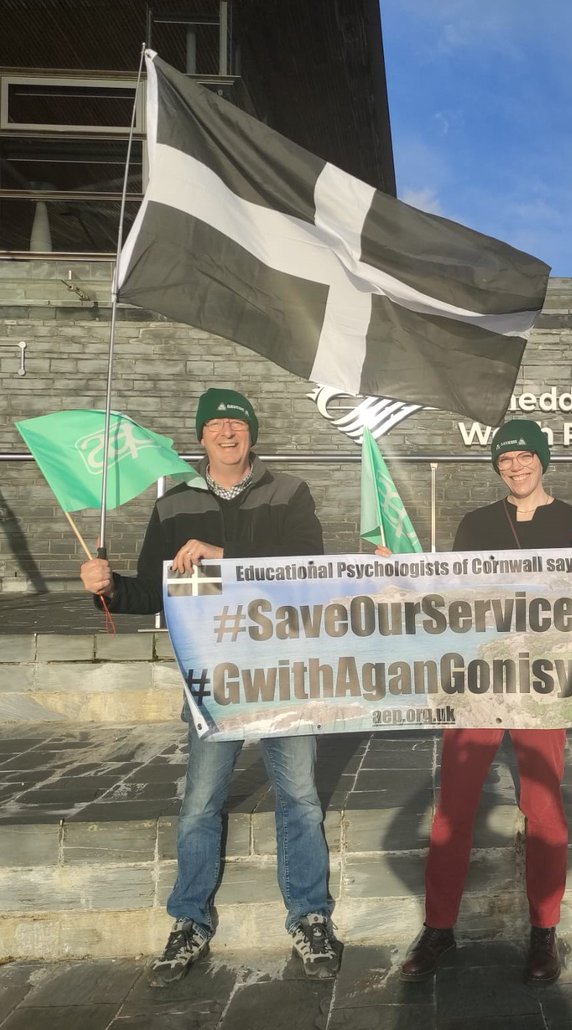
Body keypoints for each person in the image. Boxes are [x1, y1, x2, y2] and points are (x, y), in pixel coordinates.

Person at [79, 388, 339, 984]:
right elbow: (154, 590)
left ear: (252, 434)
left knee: (298, 796)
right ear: (201, 437)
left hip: (285, 669)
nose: (227, 432)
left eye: (238, 423)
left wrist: (227, 555)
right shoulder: (175, 503)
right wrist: (108, 588)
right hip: (214, 675)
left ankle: (309, 914)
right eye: (216, 424)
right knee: (200, 802)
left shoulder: (288, 491)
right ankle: (190, 918)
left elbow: (308, 564)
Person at [396, 419, 572, 986]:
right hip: (480, 678)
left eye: (524, 457)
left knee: (542, 808)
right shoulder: (477, 523)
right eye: (505, 460)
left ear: (543, 461)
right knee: (454, 808)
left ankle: (544, 932)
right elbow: (458, 598)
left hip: (542, 681)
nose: (516, 467)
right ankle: (439, 927)